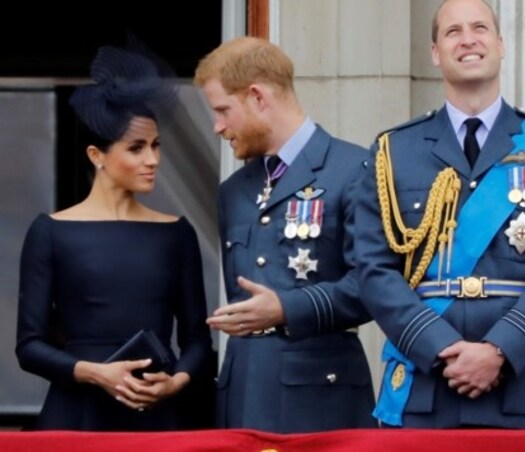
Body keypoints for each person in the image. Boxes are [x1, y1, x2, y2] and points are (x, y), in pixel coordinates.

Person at [355, 0, 525, 428]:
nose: (468, 39)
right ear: (435, 51)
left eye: (480, 28)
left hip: (523, 387)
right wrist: (441, 348)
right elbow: (373, 270)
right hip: (426, 386)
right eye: (453, 31)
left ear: (500, 44)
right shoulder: (394, 151)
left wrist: (499, 350)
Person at [15, 43, 214, 431]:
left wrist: (176, 382)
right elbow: (29, 347)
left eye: (156, 146)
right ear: (97, 155)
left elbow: (197, 343)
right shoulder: (51, 231)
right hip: (77, 416)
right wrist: (94, 373)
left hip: (158, 416)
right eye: (136, 148)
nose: (152, 159)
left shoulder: (177, 233)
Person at [193, 36, 376, 433]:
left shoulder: (355, 169)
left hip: (320, 397)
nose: (218, 126)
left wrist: (286, 308)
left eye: (223, 110)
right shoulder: (234, 190)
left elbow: (373, 286)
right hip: (242, 394)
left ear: (258, 97)